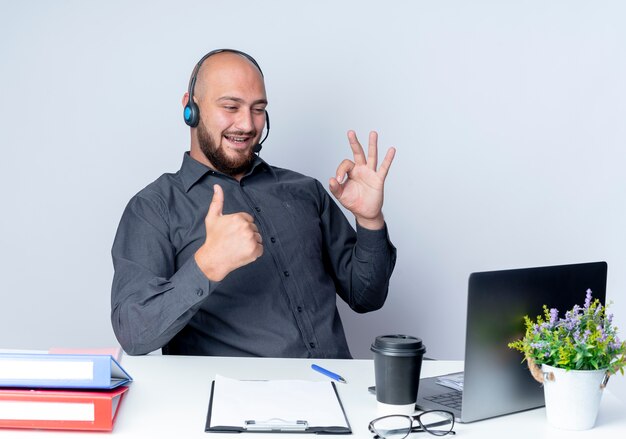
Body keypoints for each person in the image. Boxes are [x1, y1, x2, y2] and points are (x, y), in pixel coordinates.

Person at [111, 49, 397, 358]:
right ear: (190, 108)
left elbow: (366, 297)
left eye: (258, 109)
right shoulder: (154, 208)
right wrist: (208, 264)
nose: (247, 125)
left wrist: (370, 221)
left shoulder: (305, 191)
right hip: (238, 401)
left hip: (337, 393)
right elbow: (134, 334)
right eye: (231, 106)